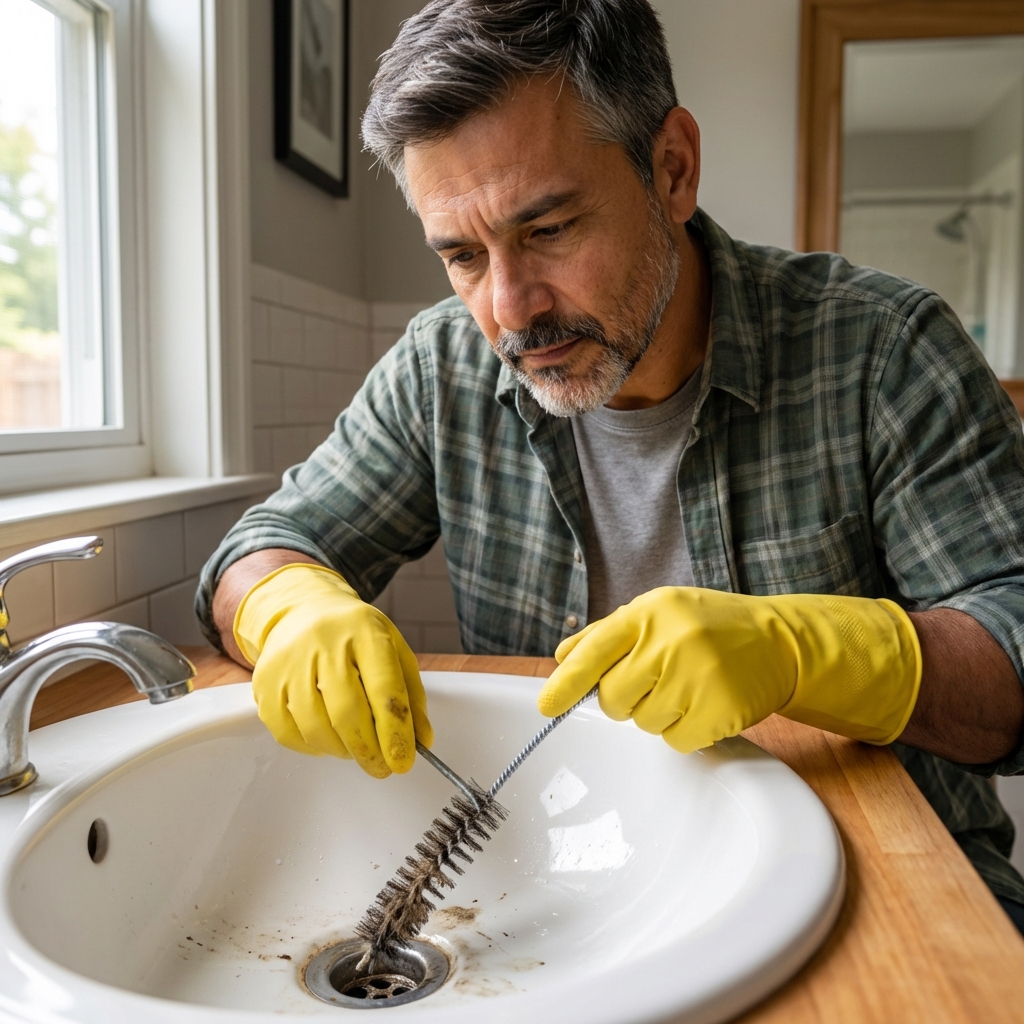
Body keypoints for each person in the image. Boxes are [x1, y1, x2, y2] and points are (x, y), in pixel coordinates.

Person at [197, 0, 1024, 931]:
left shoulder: (881, 350)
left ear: (672, 168)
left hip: (888, 881)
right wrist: (289, 605)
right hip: (573, 866)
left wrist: (807, 653)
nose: (510, 310)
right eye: (463, 256)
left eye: (548, 229)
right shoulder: (443, 367)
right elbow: (265, 546)